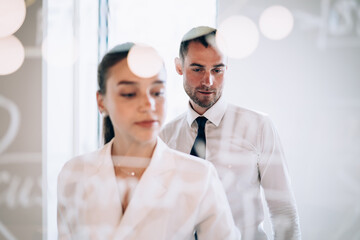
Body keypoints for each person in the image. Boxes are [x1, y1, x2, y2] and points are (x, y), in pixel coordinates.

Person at [57, 42, 240, 240]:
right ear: (101, 101)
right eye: (129, 94)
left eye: (157, 92)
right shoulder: (75, 173)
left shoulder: (199, 176)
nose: (148, 104)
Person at [160, 26, 301, 240]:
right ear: (179, 67)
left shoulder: (258, 126)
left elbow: (283, 212)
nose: (208, 81)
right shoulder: (165, 137)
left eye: (217, 70)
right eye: (197, 69)